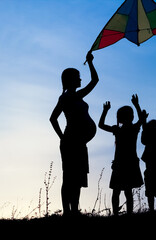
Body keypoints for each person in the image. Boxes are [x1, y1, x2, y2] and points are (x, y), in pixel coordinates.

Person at [50, 52, 99, 216]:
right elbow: (53, 119)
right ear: (71, 80)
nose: (80, 80)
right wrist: (62, 137)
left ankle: (75, 210)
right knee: (69, 177)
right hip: (71, 141)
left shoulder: (75, 96)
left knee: (77, 178)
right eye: (78, 77)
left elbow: (94, 81)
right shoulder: (67, 97)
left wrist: (91, 62)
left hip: (79, 142)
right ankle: (67, 211)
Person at [98, 95, 147, 215]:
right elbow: (141, 119)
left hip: (120, 164)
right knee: (127, 191)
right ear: (131, 117)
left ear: (119, 118)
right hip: (128, 164)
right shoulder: (132, 129)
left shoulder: (119, 130)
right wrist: (136, 105)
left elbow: (101, 125)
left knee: (117, 191)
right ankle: (127, 214)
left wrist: (105, 111)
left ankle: (116, 214)